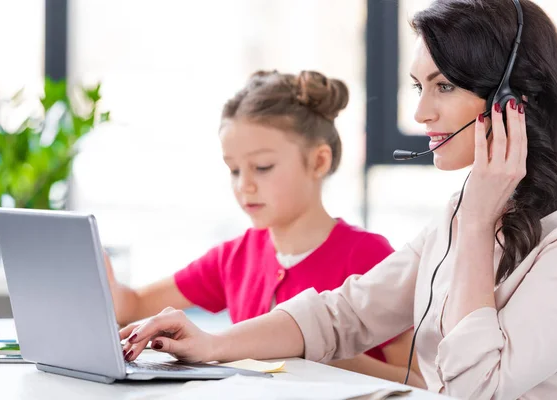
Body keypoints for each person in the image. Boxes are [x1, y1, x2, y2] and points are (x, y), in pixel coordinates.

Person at [118, 0, 557, 398]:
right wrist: (213, 344)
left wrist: (478, 223)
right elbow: (347, 313)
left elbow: (476, 389)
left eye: (444, 86)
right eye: (419, 87)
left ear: (512, 99)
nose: (420, 113)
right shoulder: (462, 213)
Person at [106, 69, 425, 387]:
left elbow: (419, 382)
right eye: (233, 170)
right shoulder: (234, 256)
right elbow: (132, 306)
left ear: (318, 162)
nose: (244, 185)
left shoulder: (370, 257)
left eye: (262, 167)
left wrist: (325, 347)